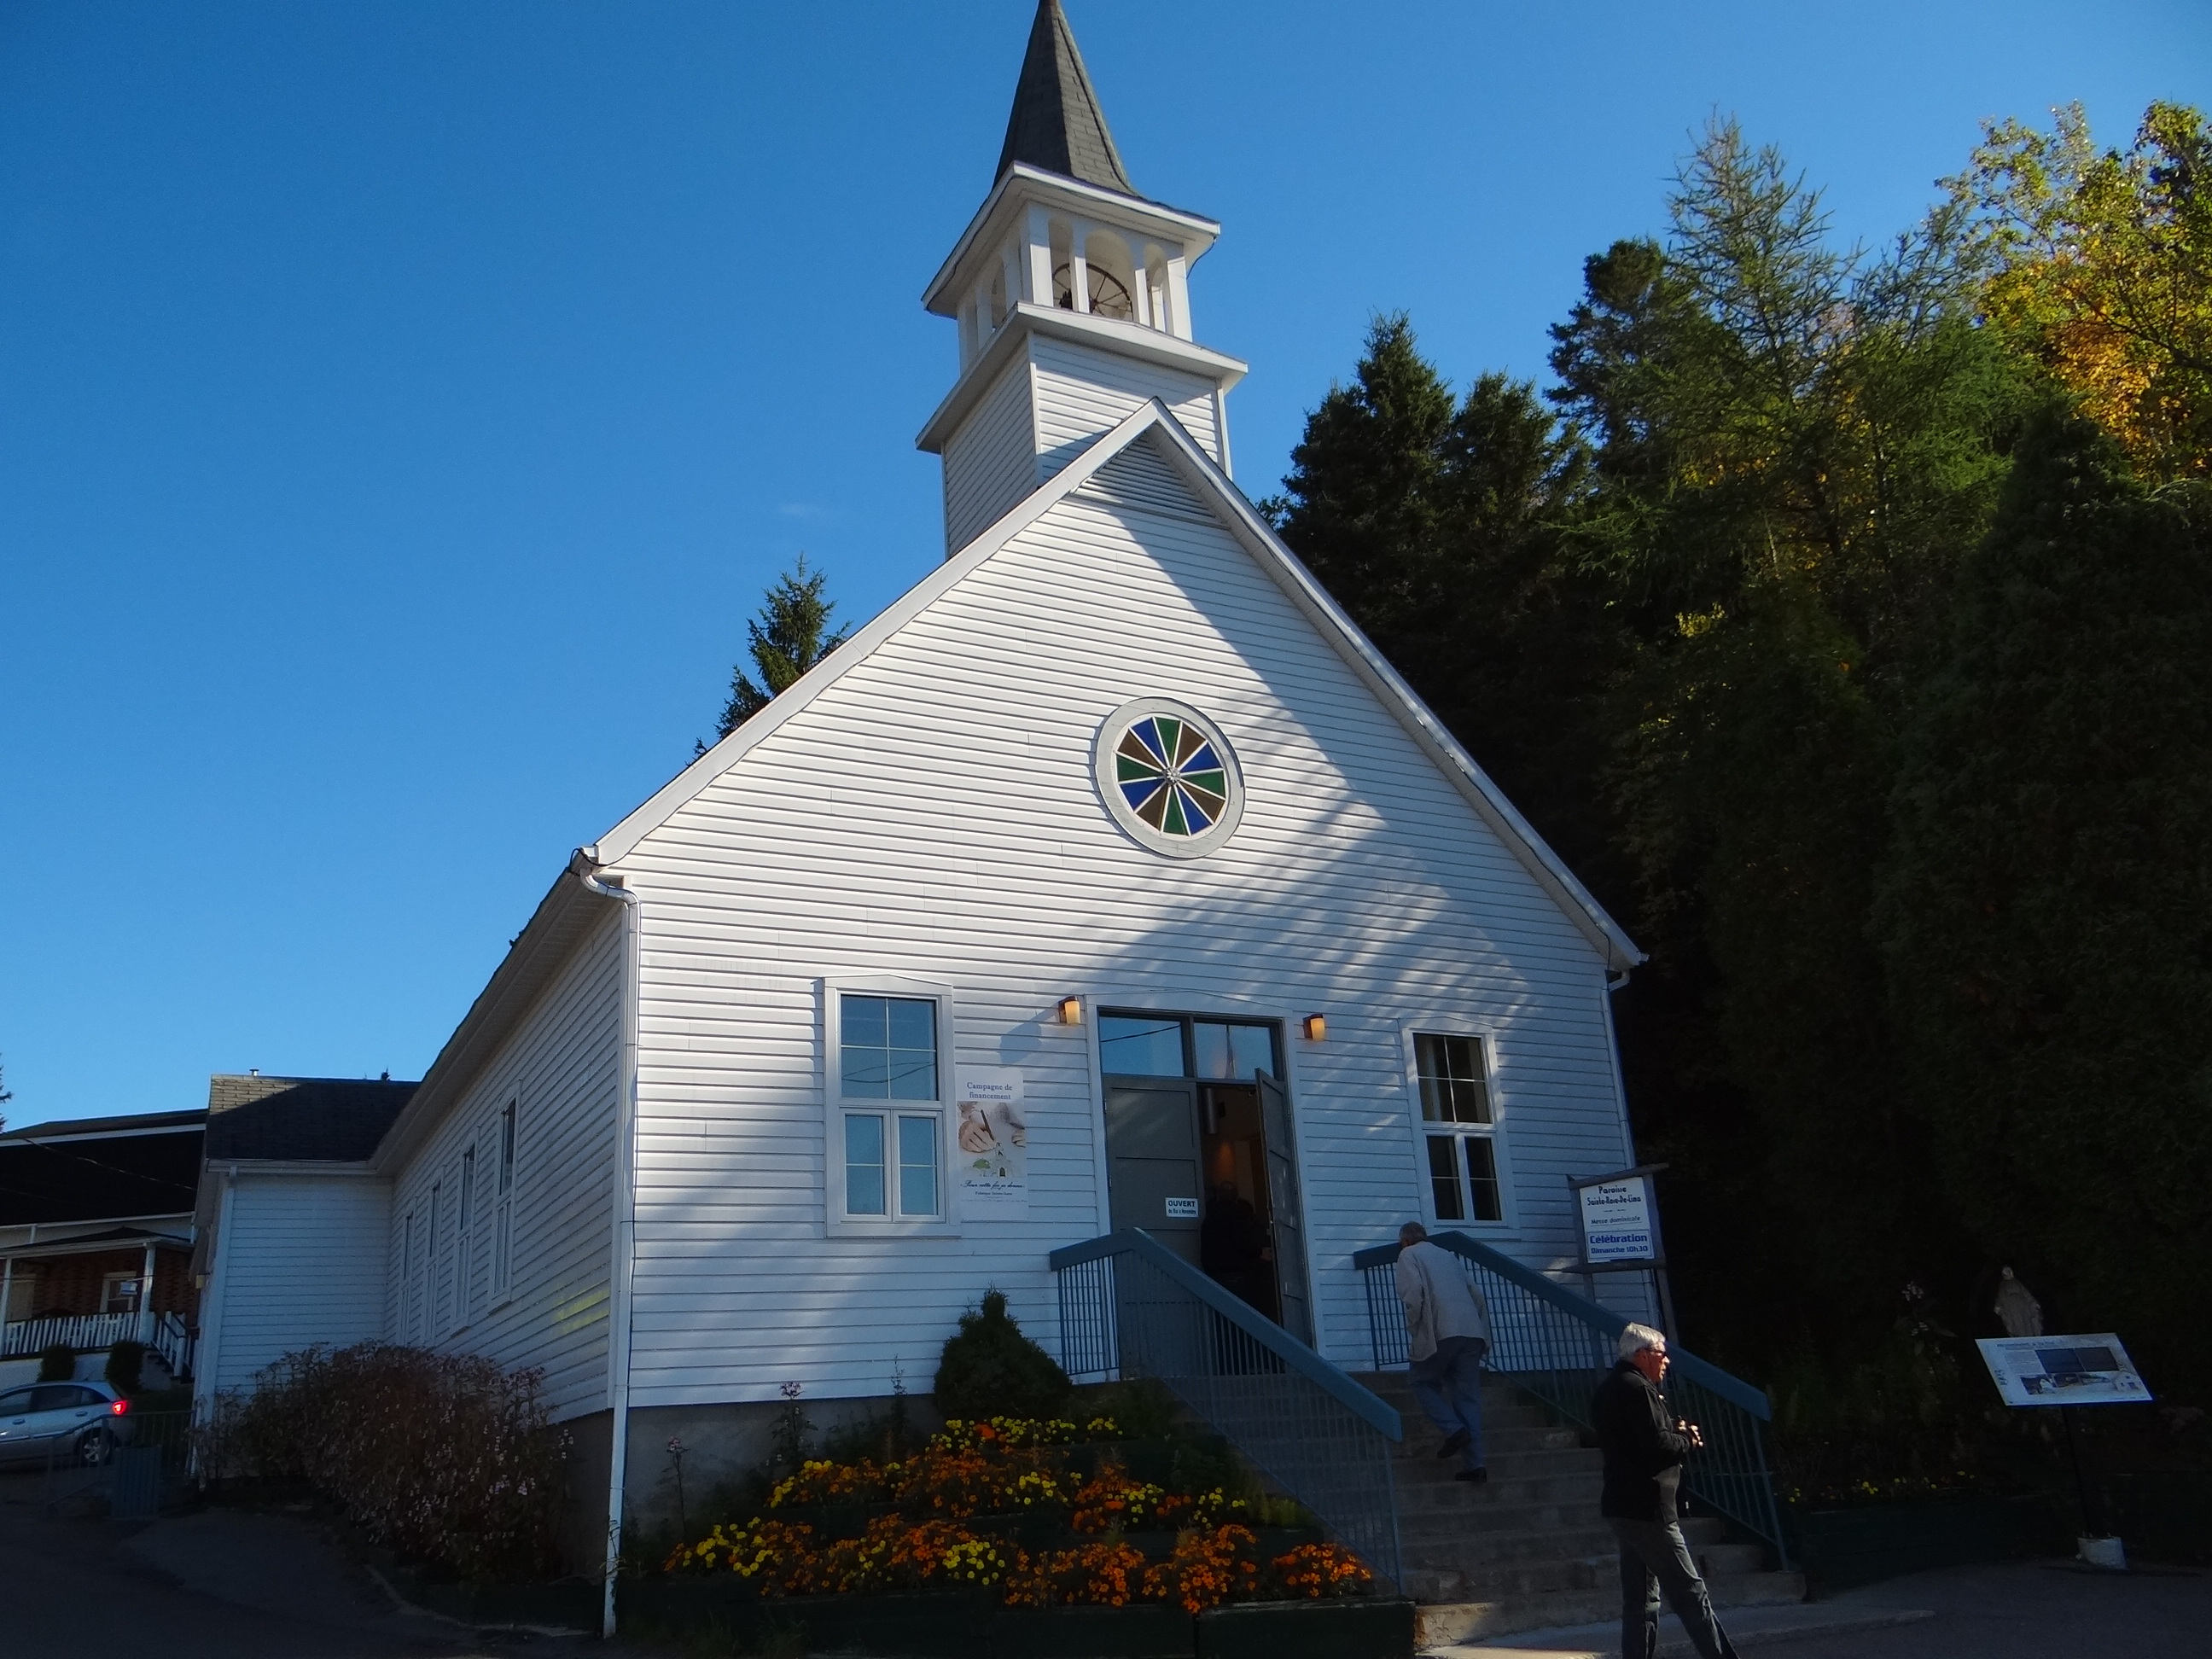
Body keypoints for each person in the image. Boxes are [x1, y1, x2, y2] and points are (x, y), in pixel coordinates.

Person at [1592, 1324, 1740, 1659]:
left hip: (1623, 1506)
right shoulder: (1637, 1389)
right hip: (1649, 1509)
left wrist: (1672, 1434)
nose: (1666, 1362)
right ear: (1642, 1355)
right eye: (1662, 1354)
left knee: (1641, 1600)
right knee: (1691, 1593)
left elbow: (1635, 1439)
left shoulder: (1609, 1389)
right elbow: (1655, 1446)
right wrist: (1686, 1440)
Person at [1393, 1221, 1491, 1481]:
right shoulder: (1448, 1255)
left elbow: (1414, 1294)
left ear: (1404, 1241)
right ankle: (1476, 1466)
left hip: (1440, 1331)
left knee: (1420, 1381)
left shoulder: (1408, 1255)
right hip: (1472, 1331)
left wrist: (1415, 1328)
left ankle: (1454, 1430)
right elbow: (1477, 1294)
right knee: (1468, 1399)